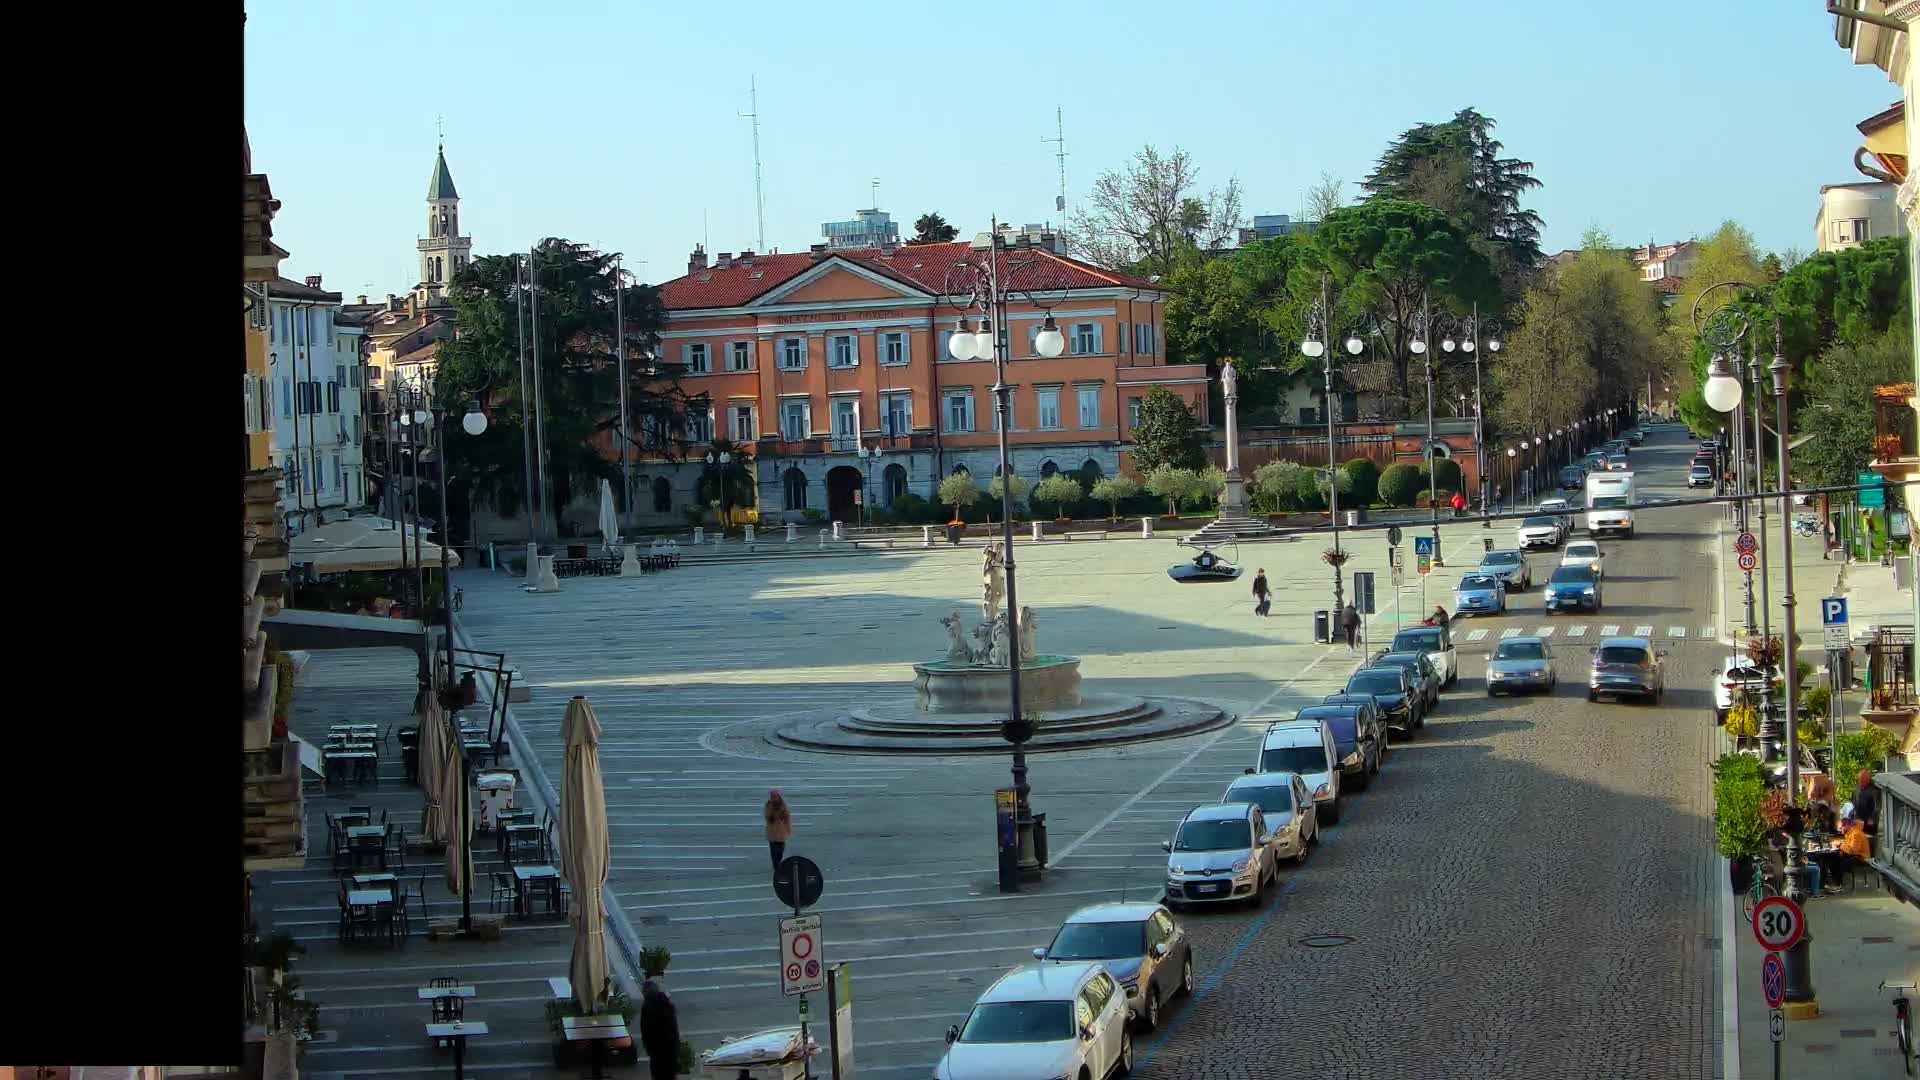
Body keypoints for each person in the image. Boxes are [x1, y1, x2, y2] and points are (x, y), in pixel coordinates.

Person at [638, 979, 681, 1080]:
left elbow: (645, 1030)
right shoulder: (666, 1003)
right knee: (670, 1073)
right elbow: (673, 1027)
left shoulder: (647, 1007)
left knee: (658, 1073)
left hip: (656, 1048)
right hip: (670, 1046)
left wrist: (648, 1047)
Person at [764, 788, 793, 874]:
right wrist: (773, 810)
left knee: (780, 853)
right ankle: (777, 870)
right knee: (774, 853)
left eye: (775, 796)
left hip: (781, 833)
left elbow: (787, 818)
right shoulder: (769, 805)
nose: (773, 798)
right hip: (772, 834)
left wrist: (789, 830)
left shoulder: (783, 805)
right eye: (772, 796)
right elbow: (768, 817)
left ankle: (778, 866)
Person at [1852, 769, 1880, 839]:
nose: (1860, 780)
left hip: (1869, 822)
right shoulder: (1856, 788)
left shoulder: (1874, 790)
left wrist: (1872, 818)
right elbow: (1854, 801)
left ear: (1868, 779)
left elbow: (1877, 806)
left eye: (1862, 778)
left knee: (1869, 840)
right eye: (1859, 778)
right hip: (1858, 820)